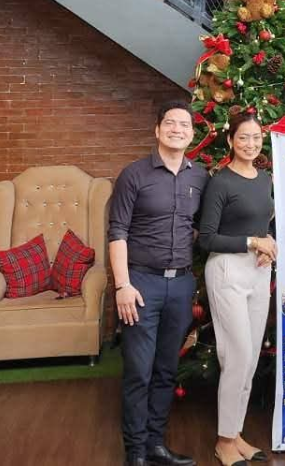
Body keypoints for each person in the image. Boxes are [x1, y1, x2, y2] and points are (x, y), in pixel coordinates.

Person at [109, 100, 207, 466]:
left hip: (181, 287)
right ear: (157, 129)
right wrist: (122, 285)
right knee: (139, 371)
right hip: (140, 286)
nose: (177, 129)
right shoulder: (133, 175)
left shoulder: (200, 177)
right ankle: (135, 452)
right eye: (170, 123)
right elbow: (117, 232)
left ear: (192, 134)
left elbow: (209, 228)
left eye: (184, 125)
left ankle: (155, 445)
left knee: (166, 370)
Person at [196, 114, 275, 466]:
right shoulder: (220, 182)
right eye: (243, 137)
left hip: (258, 271)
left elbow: (264, 224)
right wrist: (252, 242)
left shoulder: (265, 179)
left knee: (251, 357)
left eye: (256, 137)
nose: (250, 144)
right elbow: (207, 238)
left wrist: (269, 243)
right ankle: (224, 442)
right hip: (227, 271)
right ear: (230, 141)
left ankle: (236, 432)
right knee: (237, 355)